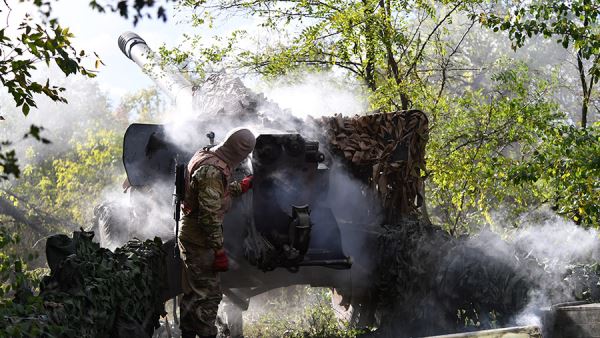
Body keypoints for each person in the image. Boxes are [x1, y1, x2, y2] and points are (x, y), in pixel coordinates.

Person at [178, 128, 255, 338]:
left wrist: (242, 186)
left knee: (193, 293)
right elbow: (209, 217)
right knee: (208, 297)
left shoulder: (209, 153)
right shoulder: (212, 172)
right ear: (239, 153)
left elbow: (218, 192)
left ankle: (188, 334)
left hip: (192, 233)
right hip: (200, 239)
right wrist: (219, 250)